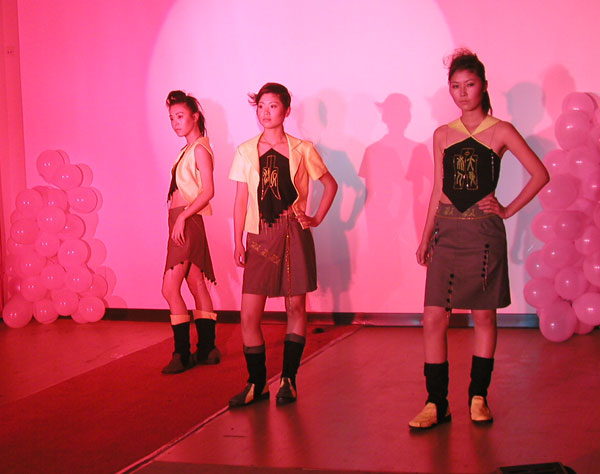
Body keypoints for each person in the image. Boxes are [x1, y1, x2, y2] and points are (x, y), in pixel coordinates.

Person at [409, 50, 549, 429]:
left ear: (483, 86)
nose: (462, 93)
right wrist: (425, 236)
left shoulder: (500, 130)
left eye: (469, 85)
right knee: (433, 317)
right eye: (455, 86)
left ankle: (478, 396)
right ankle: (436, 402)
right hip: (447, 230)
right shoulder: (442, 134)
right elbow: (438, 188)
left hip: (483, 233)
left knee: (483, 316)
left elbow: (540, 173)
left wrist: (507, 209)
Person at [228, 82, 338, 407]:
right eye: (261, 106)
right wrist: (237, 240)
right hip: (259, 234)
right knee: (249, 315)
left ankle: (289, 379)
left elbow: (330, 184)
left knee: (296, 308)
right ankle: (256, 382)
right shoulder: (245, 151)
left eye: (273, 106)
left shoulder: (302, 149)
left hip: (293, 232)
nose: (265, 112)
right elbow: (240, 200)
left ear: (286, 110)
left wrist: (315, 218)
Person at [161, 90, 220, 374]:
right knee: (196, 283)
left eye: (180, 116)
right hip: (184, 220)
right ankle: (208, 349)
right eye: (172, 118)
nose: (175, 122)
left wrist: (182, 217)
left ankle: (182, 354)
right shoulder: (189, 149)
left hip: (187, 220)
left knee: (169, 288)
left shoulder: (199, 149)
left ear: (195, 116)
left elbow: (208, 191)